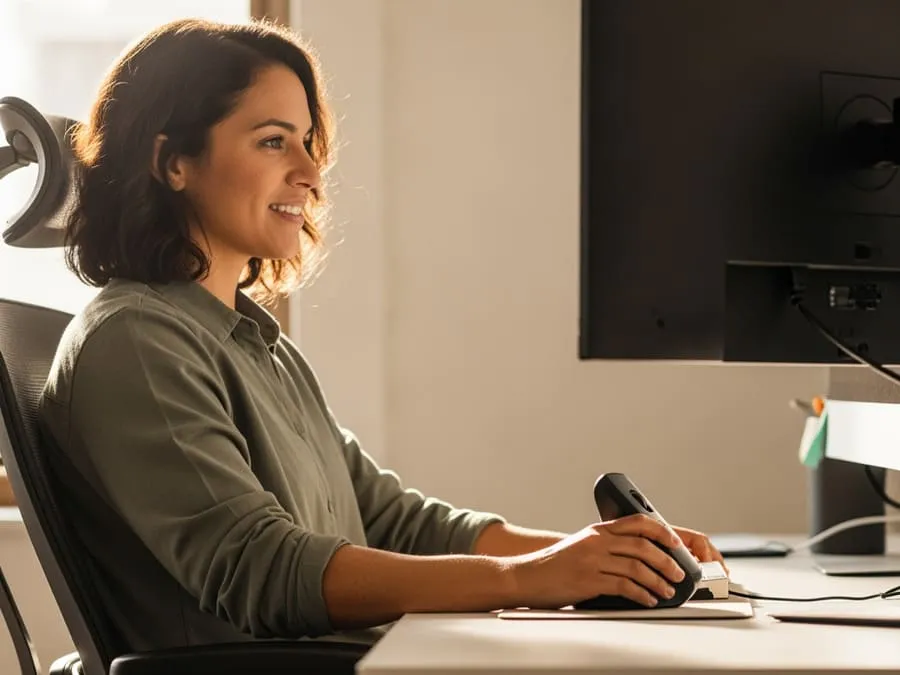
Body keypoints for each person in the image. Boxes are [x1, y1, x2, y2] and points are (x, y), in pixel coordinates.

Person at [38, 17, 725, 654]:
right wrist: (528, 578)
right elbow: (261, 570)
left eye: (308, 143)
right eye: (273, 141)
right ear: (172, 161)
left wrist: (602, 556)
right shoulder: (136, 341)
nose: (309, 174)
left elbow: (392, 520)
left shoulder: (254, 344)